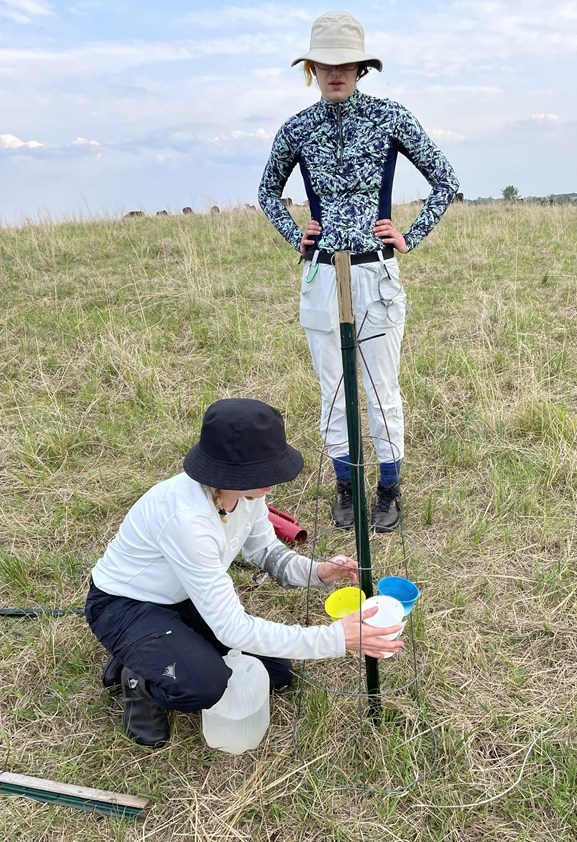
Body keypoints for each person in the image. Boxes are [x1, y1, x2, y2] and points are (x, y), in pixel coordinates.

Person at [85, 398, 402, 748]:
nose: (274, 479)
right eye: (263, 470)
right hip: (124, 606)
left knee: (276, 672)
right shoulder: (188, 521)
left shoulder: (247, 495)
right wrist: (335, 639)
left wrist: (319, 573)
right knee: (204, 684)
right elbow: (233, 628)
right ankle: (140, 680)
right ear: (229, 472)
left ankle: (158, 648)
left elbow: (266, 551)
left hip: (182, 597)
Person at [259, 11, 459, 533]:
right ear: (311, 68)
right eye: (324, 64)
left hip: (377, 276)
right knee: (334, 390)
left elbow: (445, 180)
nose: (335, 72)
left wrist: (409, 236)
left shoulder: (390, 116)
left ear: (361, 66)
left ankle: (388, 488)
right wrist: (293, 231)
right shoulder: (298, 127)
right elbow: (266, 191)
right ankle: (345, 489)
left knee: (382, 388)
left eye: (345, 63)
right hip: (323, 275)